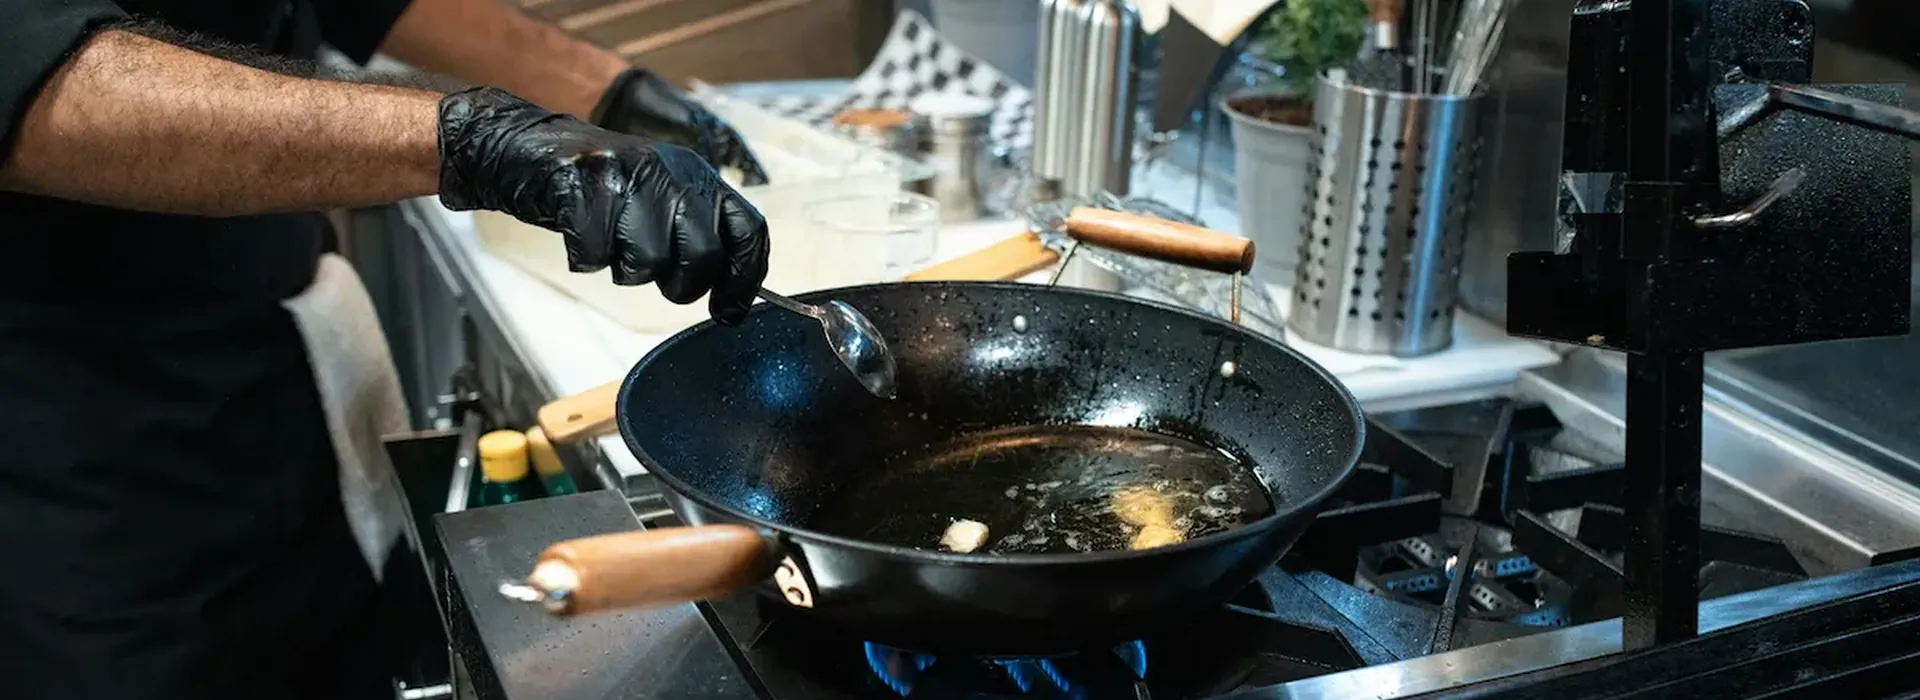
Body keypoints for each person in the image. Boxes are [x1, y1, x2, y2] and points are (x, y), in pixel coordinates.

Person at [0, 0, 771, 698]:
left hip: (271, 349)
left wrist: (609, 88)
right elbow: (25, 71)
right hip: (81, 416)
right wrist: (472, 141)